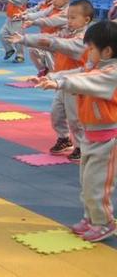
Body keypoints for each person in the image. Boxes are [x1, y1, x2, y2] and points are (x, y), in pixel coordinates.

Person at [36, 21, 117, 243]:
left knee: (98, 183)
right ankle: (90, 217)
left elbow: (84, 80)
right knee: (87, 180)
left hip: (108, 140)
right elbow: (77, 72)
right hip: (91, 137)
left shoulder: (111, 72)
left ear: (107, 51)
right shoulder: (95, 67)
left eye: (91, 48)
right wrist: (52, 78)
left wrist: (60, 84)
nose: (87, 52)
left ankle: (104, 222)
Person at [10, 0, 94, 161]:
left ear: (86, 20)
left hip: (75, 84)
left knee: (75, 118)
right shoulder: (67, 32)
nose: (69, 21)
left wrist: (26, 39)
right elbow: (51, 37)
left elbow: (56, 43)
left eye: (73, 18)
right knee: (56, 113)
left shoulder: (83, 39)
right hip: (61, 80)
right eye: (68, 17)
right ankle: (64, 138)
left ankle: (81, 146)